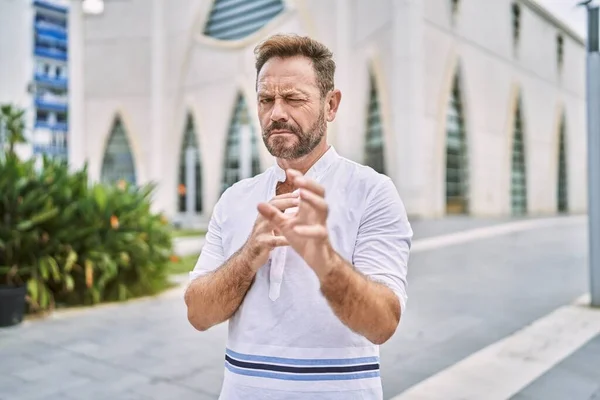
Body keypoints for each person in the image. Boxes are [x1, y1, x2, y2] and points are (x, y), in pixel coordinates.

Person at [184, 33, 412, 400]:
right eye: (265, 99)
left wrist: (324, 260)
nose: (276, 113)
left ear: (331, 105)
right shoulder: (234, 200)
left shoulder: (372, 191)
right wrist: (247, 258)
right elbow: (198, 313)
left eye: (293, 98)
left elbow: (383, 324)